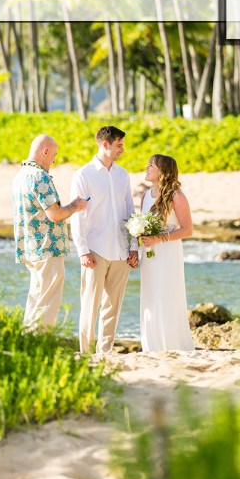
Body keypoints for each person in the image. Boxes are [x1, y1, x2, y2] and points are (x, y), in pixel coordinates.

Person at [70, 126, 139, 353]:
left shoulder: (122, 175)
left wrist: (133, 247)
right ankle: (86, 352)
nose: (123, 149)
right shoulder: (83, 175)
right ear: (105, 144)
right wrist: (82, 250)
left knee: (113, 306)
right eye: (119, 145)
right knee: (90, 304)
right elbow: (78, 216)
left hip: (121, 249)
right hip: (95, 250)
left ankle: (106, 352)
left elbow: (130, 212)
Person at [13, 134, 87, 328]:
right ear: (45, 152)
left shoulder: (20, 175)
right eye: (54, 155)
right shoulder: (40, 176)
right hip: (47, 247)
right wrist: (75, 205)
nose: (54, 160)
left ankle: (28, 340)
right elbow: (55, 214)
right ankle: (41, 342)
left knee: (36, 298)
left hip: (29, 247)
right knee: (48, 301)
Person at [138, 154, 195, 352]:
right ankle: (151, 345)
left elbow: (187, 230)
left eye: (151, 165)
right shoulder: (145, 195)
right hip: (148, 253)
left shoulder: (176, 196)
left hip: (168, 252)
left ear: (162, 171)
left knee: (167, 294)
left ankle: (171, 344)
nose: (146, 167)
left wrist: (158, 239)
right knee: (150, 295)